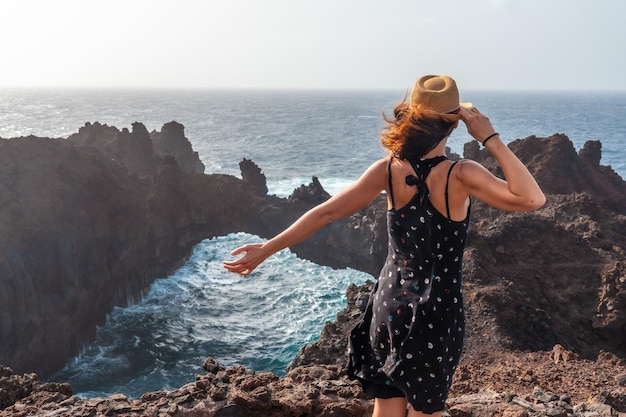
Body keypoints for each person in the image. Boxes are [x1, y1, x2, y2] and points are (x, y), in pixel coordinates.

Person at [223, 75, 545, 417]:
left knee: (387, 410)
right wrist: (490, 138)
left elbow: (327, 212)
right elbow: (532, 198)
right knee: (426, 411)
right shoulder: (461, 173)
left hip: (389, 305)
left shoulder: (389, 170)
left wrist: (266, 248)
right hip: (435, 312)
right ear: (454, 126)